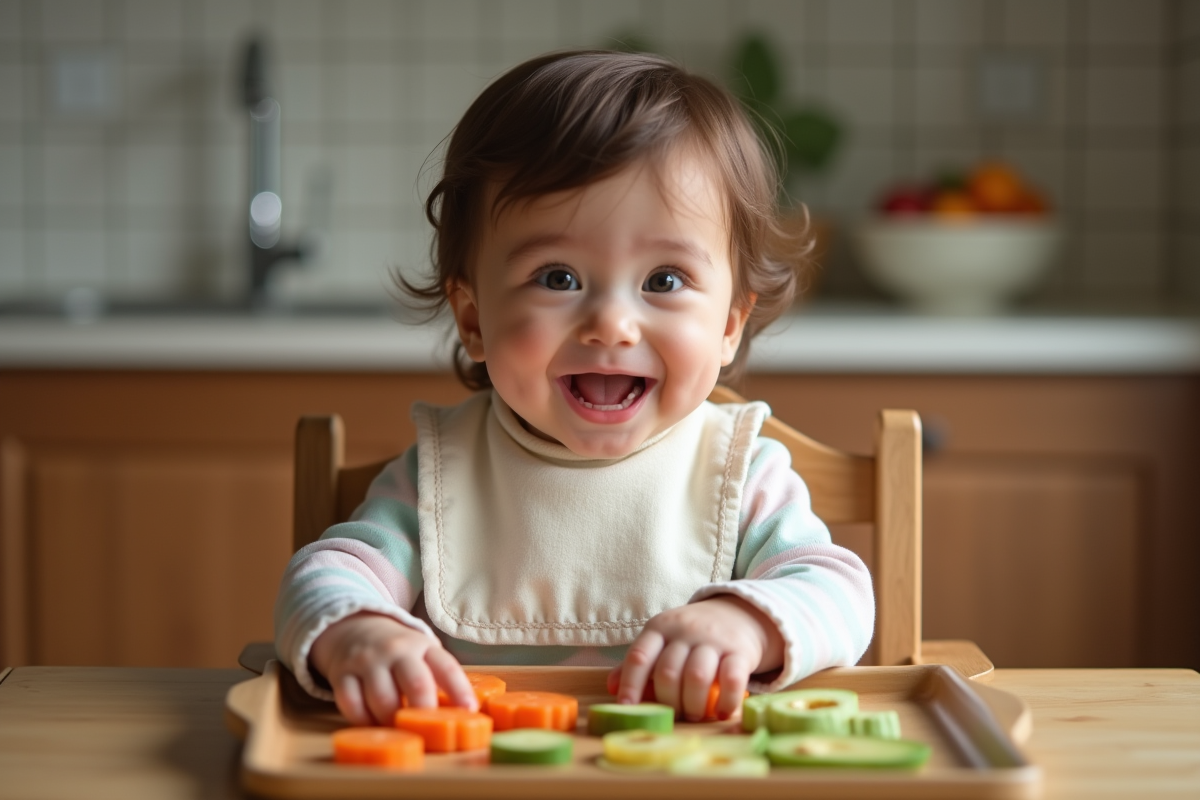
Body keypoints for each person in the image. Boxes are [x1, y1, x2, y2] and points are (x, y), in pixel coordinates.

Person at [274, 50, 873, 728]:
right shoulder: (442, 475)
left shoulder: (745, 473)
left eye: (665, 280)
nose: (612, 324)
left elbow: (839, 591)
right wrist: (357, 632)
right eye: (558, 277)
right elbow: (324, 575)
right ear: (474, 319)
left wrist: (748, 624)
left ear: (730, 324)